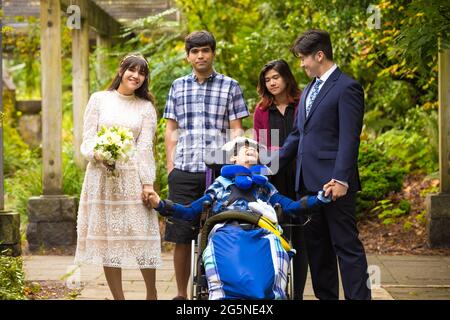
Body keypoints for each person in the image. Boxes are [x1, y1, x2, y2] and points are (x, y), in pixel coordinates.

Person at [278, 29, 371, 300]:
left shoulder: (347, 87)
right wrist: (268, 164)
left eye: (303, 58)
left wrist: (341, 179)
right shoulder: (308, 90)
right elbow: (298, 135)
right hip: (307, 186)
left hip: (334, 184)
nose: (301, 64)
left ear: (319, 55)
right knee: (318, 250)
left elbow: (349, 138)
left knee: (346, 247)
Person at [163, 30, 249, 300]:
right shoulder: (178, 86)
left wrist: (238, 164)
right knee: (180, 234)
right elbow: (170, 130)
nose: (200, 55)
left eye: (205, 50)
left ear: (213, 53)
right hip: (184, 170)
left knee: (221, 229)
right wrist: (170, 167)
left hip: (219, 172)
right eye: (195, 51)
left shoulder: (230, 86)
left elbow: (237, 129)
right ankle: (180, 293)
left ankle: (216, 289)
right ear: (188, 56)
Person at [74, 53, 161, 300]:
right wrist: (99, 155)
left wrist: (148, 184)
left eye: (142, 72)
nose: (136, 76)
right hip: (101, 178)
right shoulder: (99, 99)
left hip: (132, 178)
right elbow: (88, 138)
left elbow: (145, 149)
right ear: (121, 70)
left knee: (142, 235)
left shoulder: (145, 107)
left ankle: (152, 294)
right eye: (132, 70)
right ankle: (119, 298)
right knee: (109, 241)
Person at [253, 59, 309, 300]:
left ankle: (297, 294)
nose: (272, 82)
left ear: (287, 77)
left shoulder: (302, 104)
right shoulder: (262, 110)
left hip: (302, 175)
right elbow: (262, 147)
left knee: (302, 236)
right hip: (275, 177)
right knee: (278, 233)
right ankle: (278, 291)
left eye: (276, 77)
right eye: (267, 79)